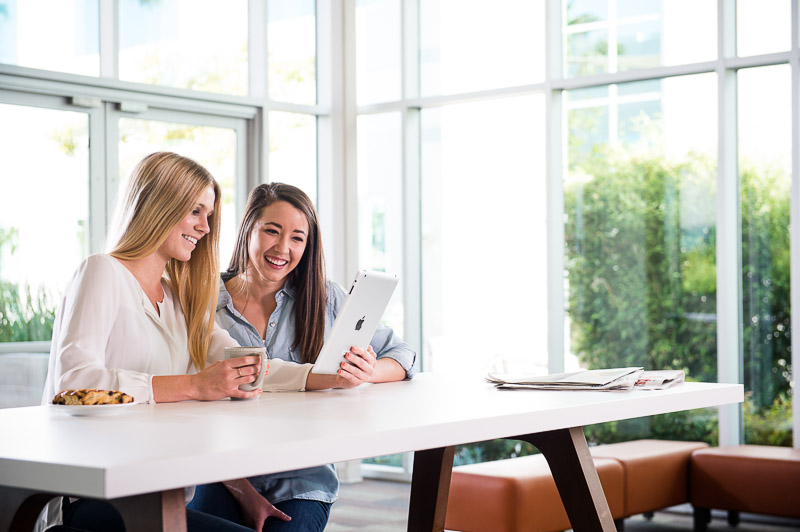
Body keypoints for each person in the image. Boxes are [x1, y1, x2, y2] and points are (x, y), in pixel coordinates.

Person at [40, 152, 262, 532]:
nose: (205, 228)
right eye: (195, 211)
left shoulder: (178, 297)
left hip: (160, 494)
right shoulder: (102, 271)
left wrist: (324, 375)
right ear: (160, 205)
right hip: (95, 499)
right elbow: (74, 382)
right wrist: (192, 385)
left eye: (207, 215)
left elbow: (238, 359)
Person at [188, 183, 417, 531]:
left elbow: (403, 355)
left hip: (301, 480)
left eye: (297, 237)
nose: (283, 248)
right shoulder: (203, 300)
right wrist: (245, 493)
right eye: (272, 231)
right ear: (248, 228)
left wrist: (366, 372)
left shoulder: (325, 299)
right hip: (224, 474)